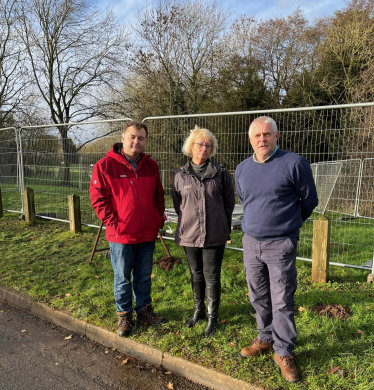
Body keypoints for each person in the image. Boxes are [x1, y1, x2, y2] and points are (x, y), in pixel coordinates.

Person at [235, 116, 318, 383]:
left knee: (282, 299)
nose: (262, 139)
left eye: (267, 134)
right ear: (250, 139)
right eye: (257, 136)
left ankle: (284, 351)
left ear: (277, 136)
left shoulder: (295, 164)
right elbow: (245, 199)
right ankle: (265, 338)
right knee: (258, 294)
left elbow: (309, 200)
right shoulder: (242, 169)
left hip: (280, 243)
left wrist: (288, 225)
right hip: (250, 242)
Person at [90, 120, 167, 337]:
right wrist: (114, 224)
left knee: (144, 275)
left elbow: (159, 195)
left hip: (147, 233)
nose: (136, 141)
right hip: (121, 235)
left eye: (141, 138)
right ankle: (124, 315)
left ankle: (144, 309)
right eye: (132, 137)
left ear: (145, 141)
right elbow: (98, 200)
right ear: (122, 138)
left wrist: (156, 218)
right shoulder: (105, 166)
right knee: (123, 277)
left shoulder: (151, 166)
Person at [172, 125, 235, 337]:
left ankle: (212, 317)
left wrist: (223, 226)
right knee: (196, 274)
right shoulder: (180, 175)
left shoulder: (221, 173)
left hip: (214, 234)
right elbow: (178, 204)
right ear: (191, 147)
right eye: (200, 144)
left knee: (212, 276)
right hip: (189, 234)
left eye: (209, 145)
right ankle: (198, 310)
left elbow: (228, 203)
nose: (204, 148)